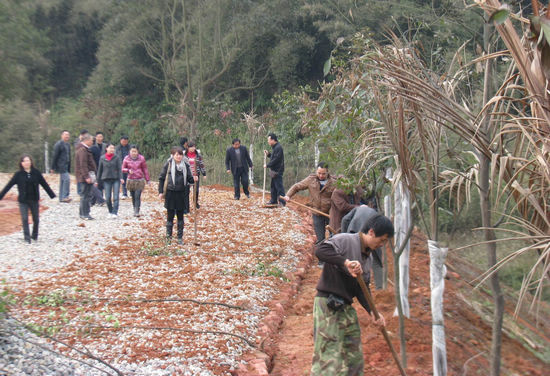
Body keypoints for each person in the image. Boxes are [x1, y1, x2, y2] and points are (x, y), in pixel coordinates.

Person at [311, 214, 394, 375]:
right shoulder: (346, 240)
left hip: (345, 307)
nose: (382, 244)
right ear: (371, 232)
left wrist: (373, 313)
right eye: (382, 240)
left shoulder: (367, 258)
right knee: (328, 357)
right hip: (328, 303)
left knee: (354, 358)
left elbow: (361, 290)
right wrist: (345, 263)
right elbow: (321, 250)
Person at [0, 155, 56, 243]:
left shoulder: (36, 173)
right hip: (23, 200)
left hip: (34, 199)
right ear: (21, 163)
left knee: (36, 219)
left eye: (28, 161)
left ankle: (34, 236)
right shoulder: (18, 175)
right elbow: (8, 186)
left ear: (31, 162)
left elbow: (44, 184)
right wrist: (1, 196)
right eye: (25, 161)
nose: (27, 162)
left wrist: (52, 195)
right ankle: (27, 238)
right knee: (25, 218)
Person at [283, 162, 335, 244]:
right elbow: (297, 186)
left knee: (335, 237)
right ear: (316, 171)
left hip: (331, 213)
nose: (321, 176)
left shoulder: (334, 182)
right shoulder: (310, 180)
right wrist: (288, 195)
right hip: (316, 212)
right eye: (319, 173)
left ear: (328, 172)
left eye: (323, 174)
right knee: (320, 239)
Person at [342, 204, 385, 290]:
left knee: (351, 258)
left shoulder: (357, 209)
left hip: (355, 233)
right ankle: (379, 288)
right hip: (373, 235)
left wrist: (344, 234)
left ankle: (350, 284)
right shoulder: (375, 213)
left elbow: (345, 220)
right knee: (377, 261)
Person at [158, 147, 195, 244]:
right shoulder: (168, 164)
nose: (178, 156)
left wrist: (194, 179)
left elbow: (190, 179)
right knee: (170, 216)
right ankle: (168, 237)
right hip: (170, 193)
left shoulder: (186, 166)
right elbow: (162, 178)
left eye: (180, 155)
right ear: (173, 155)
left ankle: (179, 238)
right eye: (176, 155)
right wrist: (161, 192)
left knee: (180, 216)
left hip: (181, 193)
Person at [122, 145, 150, 217]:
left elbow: (145, 169)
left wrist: (147, 179)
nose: (133, 153)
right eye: (132, 151)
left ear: (138, 152)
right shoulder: (126, 158)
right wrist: (128, 170)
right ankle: (134, 207)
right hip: (131, 180)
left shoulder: (141, 158)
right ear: (129, 151)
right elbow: (123, 168)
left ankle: (137, 210)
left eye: (135, 151)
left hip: (139, 180)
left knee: (138, 195)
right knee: (133, 195)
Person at [97, 143, 123, 218]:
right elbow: (100, 170)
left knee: (116, 196)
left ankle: (115, 212)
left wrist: (121, 178)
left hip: (115, 179)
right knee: (107, 197)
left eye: (113, 148)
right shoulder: (102, 158)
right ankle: (110, 211)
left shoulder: (117, 157)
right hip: (106, 179)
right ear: (106, 148)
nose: (112, 150)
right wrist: (97, 180)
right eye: (110, 148)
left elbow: (119, 168)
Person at [75, 133, 96, 220]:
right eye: (91, 140)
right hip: (84, 177)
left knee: (86, 194)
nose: (92, 142)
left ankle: (83, 213)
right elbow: (83, 164)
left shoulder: (84, 149)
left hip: (85, 176)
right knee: (85, 195)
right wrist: (86, 176)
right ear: (86, 140)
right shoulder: (82, 150)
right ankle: (85, 214)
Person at [263, 133, 285, 206]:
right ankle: (273, 200)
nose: (268, 142)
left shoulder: (279, 147)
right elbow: (273, 156)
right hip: (273, 170)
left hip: (277, 170)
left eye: (269, 140)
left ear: (273, 140)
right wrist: (268, 154)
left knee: (279, 186)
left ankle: (282, 202)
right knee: (273, 186)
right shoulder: (275, 147)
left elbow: (276, 159)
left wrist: (268, 165)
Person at [50, 130, 72, 203]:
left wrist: (69, 167)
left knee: (63, 181)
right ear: (61, 135)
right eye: (65, 135)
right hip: (61, 165)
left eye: (68, 135)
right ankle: (65, 196)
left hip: (66, 165)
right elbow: (55, 156)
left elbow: (69, 156)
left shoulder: (68, 145)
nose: (67, 136)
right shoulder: (58, 144)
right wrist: (52, 167)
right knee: (66, 180)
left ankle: (61, 197)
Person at [185, 141, 206, 208]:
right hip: (187, 175)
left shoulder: (198, 155)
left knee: (196, 190)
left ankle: (195, 202)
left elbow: (201, 164)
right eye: (191, 147)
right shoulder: (184, 155)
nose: (193, 148)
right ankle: (186, 204)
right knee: (186, 190)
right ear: (188, 148)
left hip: (196, 174)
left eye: (194, 147)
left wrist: (204, 173)